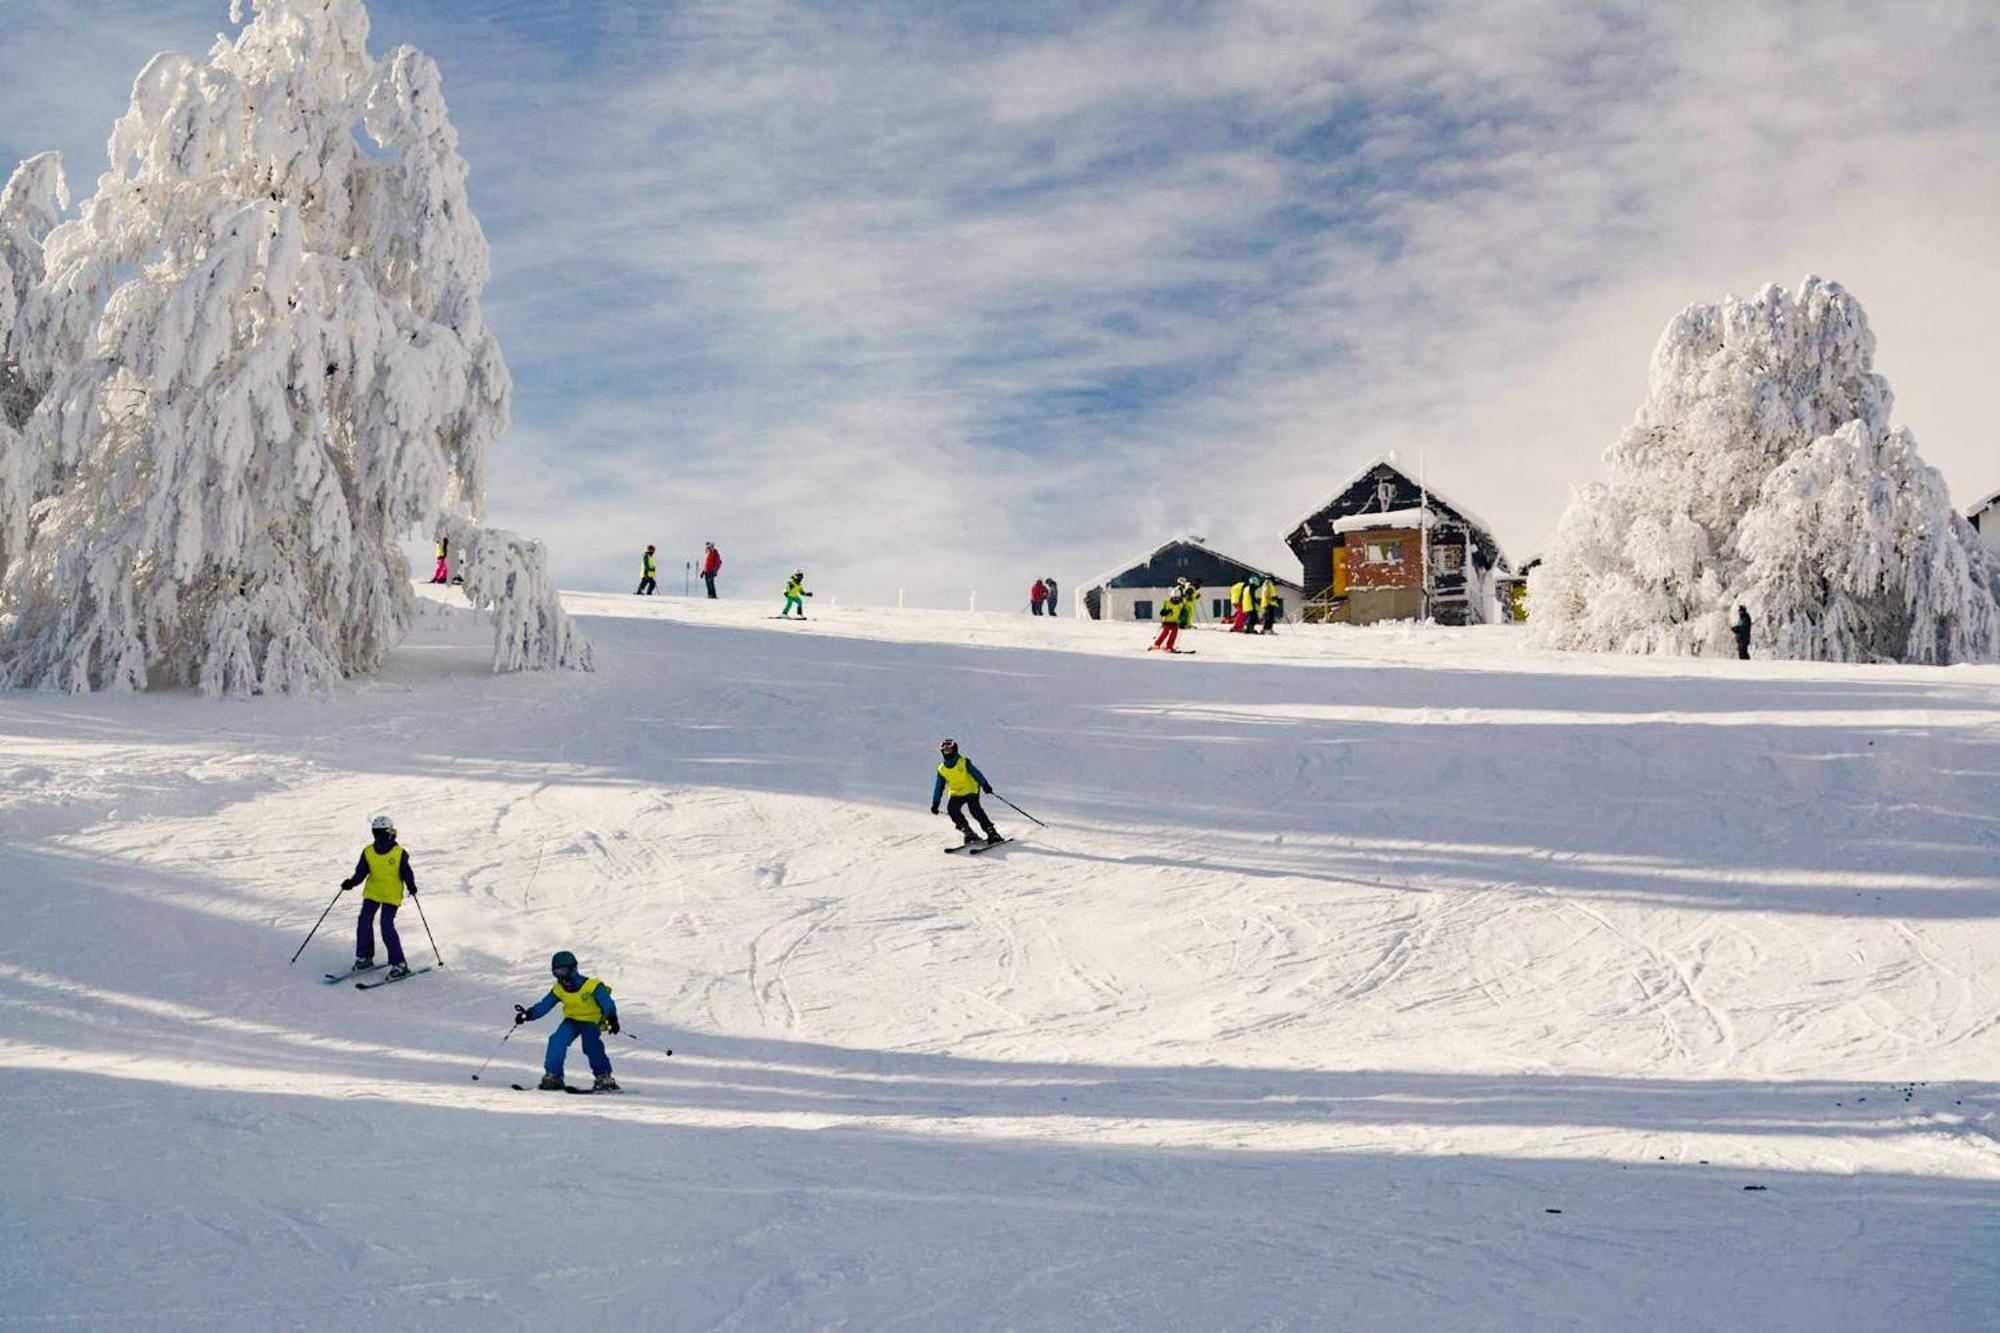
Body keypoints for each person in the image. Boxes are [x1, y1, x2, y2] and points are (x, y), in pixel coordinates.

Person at [514, 951, 620, 1092]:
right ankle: (554, 1077)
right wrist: (528, 1014)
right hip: (572, 1021)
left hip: (590, 1021)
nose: (560, 976)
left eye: (563, 971)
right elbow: (545, 1004)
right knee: (557, 1040)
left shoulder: (591, 986)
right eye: (556, 972)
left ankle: (604, 1077)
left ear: (573, 969)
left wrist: (612, 1018)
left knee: (591, 1044)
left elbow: (607, 1002)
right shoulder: (559, 988)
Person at [339, 815, 417, 978]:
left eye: (381, 832)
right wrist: (351, 882)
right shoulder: (368, 852)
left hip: (391, 894)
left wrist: (411, 885)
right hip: (373, 892)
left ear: (389, 832)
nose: (378, 836)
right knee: (364, 920)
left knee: (386, 925)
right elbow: (361, 872)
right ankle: (364, 957)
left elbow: (406, 872)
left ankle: (399, 964)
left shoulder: (399, 853)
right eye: (376, 832)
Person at [931, 738, 1002, 846]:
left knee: (975, 810)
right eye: (945, 751)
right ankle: (968, 832)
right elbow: (938, 787)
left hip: (971, 790)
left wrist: (985, 785)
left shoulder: (963, 762)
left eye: (949, 750)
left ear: (954, 750)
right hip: (956, 793)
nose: (947, 753)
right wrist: (935, 804)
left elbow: (976, 773)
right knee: (952, 809)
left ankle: (991, 832)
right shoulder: (941, 769)